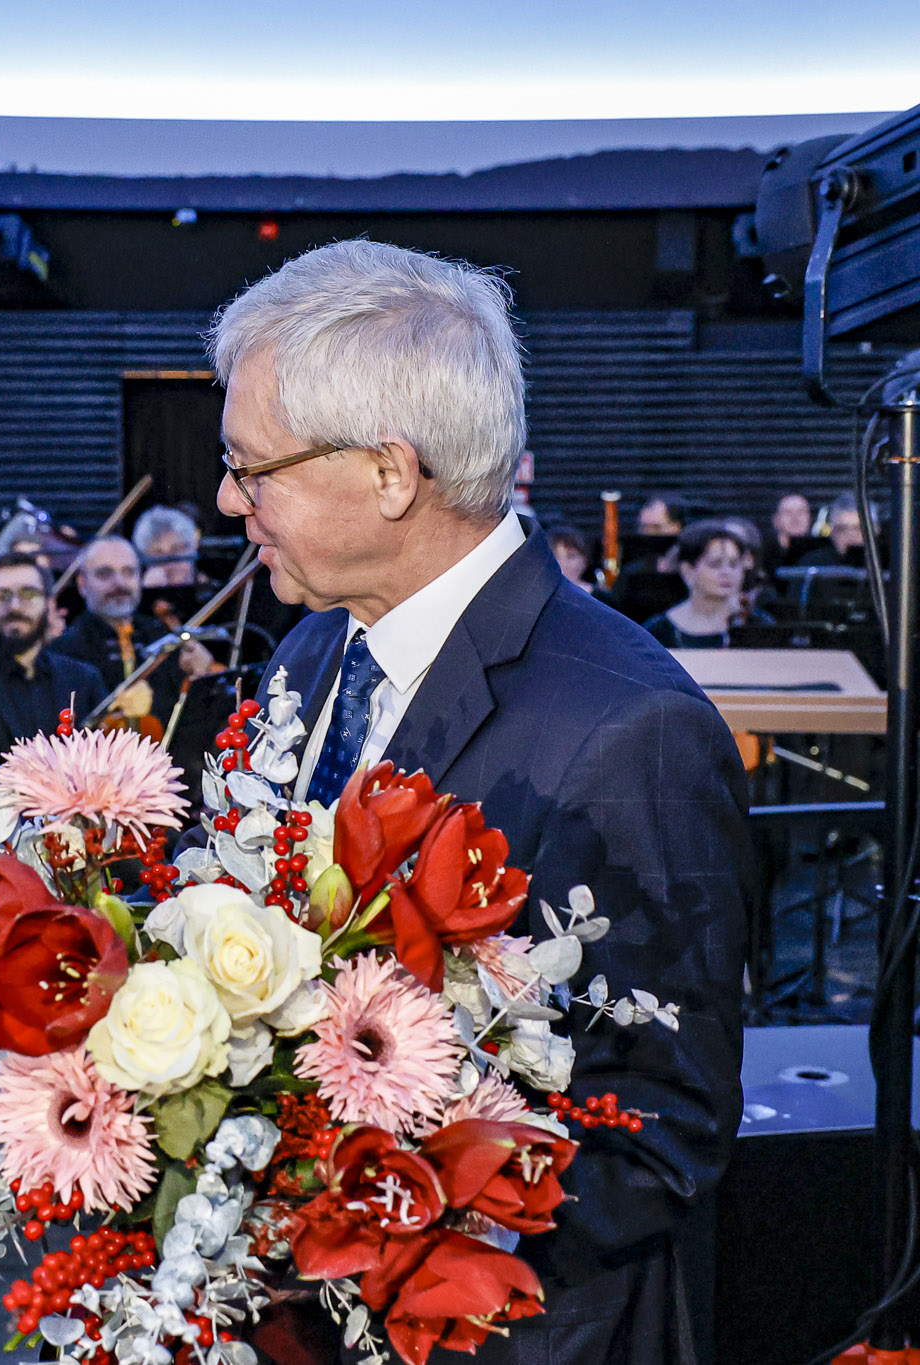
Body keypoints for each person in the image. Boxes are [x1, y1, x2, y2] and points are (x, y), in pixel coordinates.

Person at [216, 239, 747, 1365]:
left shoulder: (630, 730)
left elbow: (661, 1134)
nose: (226, 499)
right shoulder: (308, 653)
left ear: (388, 474)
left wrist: (383, 1241)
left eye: (250, 467)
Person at [0, 551, 106, 759]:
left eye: (28, 594)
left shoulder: (84, 680)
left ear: (50, 604)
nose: (15, 606)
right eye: (2, 595)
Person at [53, 535, 218, 733]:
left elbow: (195, 722)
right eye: (105, 574)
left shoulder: (164, 637)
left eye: (129, 572)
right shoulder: (63, 651)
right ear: (82, 584)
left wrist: (199, 681)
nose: (119, 583)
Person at [644, 521, 771, 649]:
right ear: (688, 571)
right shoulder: (658, 630)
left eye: (734, 564)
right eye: (715, 564)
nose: (727, 573)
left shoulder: (759, 625)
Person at [771, 491, 818, 566]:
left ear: (809, 518)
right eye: (788, 512)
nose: (795, 518)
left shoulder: (819, 556)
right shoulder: (765, 557)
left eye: (801, 512)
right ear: (776, 520)